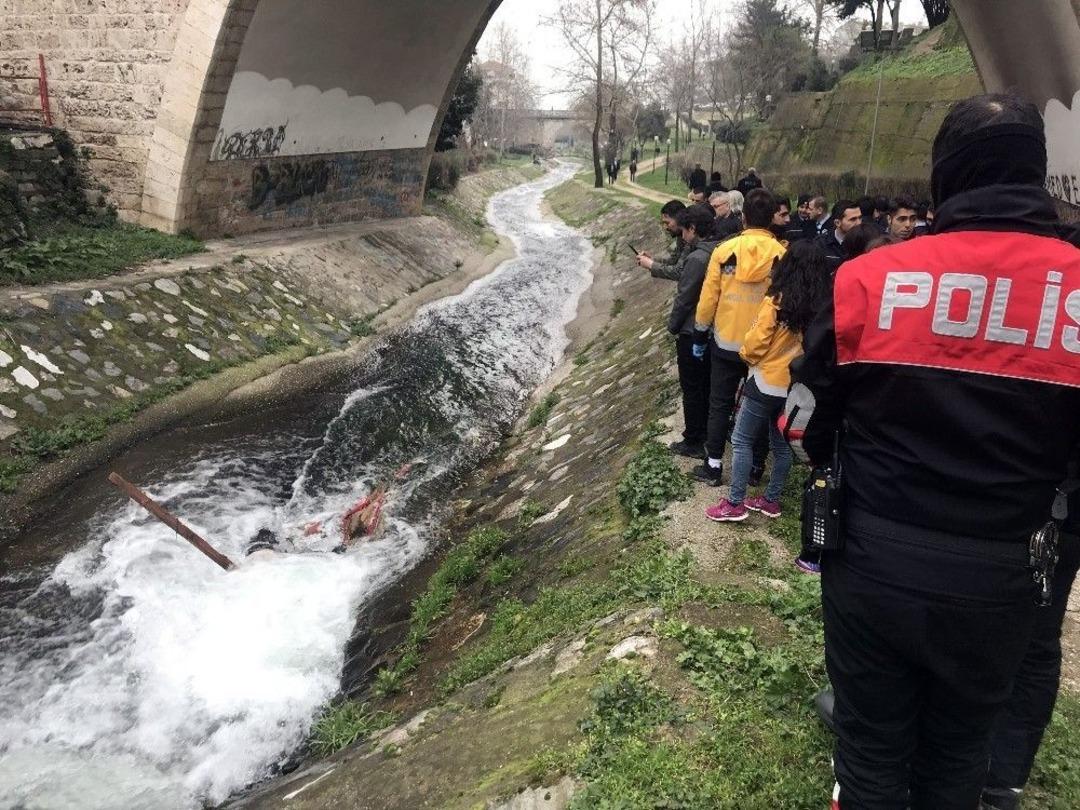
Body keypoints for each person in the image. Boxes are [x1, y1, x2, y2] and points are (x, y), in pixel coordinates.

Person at [783, 93, 1080, 808]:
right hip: (1006, 573)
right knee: (958, 755)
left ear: (946, 177)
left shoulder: (868, 278)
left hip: (874, 558)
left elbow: (802, 419)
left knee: (872, 753)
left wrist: (828, 466)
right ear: (1035, 174)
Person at [705, 241, 831, 521]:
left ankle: (735, 503)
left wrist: (746, 355)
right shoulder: (822, 307)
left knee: (741, 440)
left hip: (764, 381)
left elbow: (756, 342)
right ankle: (771, 500)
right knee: (780, 445)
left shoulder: (777, 301)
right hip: (793, 385)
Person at [691, 189, 786, 486]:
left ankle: (714, 464)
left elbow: (709, 297)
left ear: (743, 217)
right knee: (758, 406)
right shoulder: (782, 256)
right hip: (764, 346)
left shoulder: (724, 251)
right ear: (772, 217)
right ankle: (756, 467)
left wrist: (699, 332)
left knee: (719, 403)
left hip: (726, 341)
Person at [666, 205, 720, 459]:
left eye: (685, 230)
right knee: (707, 386)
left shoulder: (698, 258)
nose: (682, 236)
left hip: (692, 331)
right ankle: (707, 434)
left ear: (693, 229)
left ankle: (693, 440)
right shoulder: (718, 250)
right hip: (714, 331)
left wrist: (672, 326)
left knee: (692, 388)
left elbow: (684, 298)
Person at [636, 199, 687, 280]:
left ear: (680, 219)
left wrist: (651, 264)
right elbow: (674, 261)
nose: (665, 227)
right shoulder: (681, 237)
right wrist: (652, 260)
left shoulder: (690, 240)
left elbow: (679, 272)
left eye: (667, 223)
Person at [816, 199, 862, 273]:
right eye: (853, 219)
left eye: (860, 218)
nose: (859, 223)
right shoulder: (821, 244)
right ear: (837, 223)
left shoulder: (866, 243)